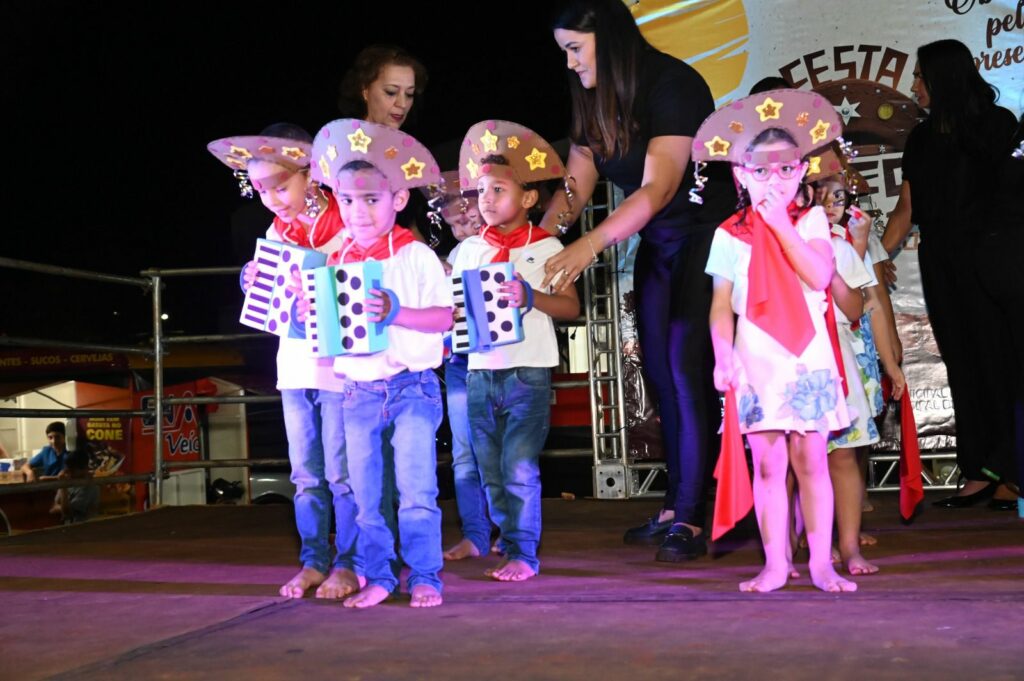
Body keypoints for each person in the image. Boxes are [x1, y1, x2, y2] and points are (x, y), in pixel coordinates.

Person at [542, 0, 736, 563]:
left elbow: (658, 188)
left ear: (608, 37)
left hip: (704, 237)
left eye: (575, 48)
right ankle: (676, 506)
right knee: (659, 372)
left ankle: (694, 516)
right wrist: (534, 245)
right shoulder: (591, 96)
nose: (570, 63)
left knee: (684, 367)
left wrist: (589, 244)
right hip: (657, 243)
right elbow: (574, 189)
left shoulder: (673, 84)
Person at [697, 89, 856, 592]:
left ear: (802, 170)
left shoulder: (811, 220)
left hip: (807, 353)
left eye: (786, 168)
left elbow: (819, 274)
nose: (775, 179)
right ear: (741, 175)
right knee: (768, 464)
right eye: (761, 170)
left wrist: (779, 224)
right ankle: (774, 563)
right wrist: (722, 354)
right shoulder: (727, 234)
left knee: (812, 460)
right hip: (757, 355)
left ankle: (821, 564)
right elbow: (721, 304)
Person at [208, 124, 360, 600]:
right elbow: (274, 308)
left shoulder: (348, 218)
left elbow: (362, 286)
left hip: (340, 366)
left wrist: (322, 277)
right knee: (306, 475)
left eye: (280, 186)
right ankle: (314, 560)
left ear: (309, 174)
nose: (271, 200)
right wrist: (253, 280)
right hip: (294, 365)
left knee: (342, 474)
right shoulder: (276, 232)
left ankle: (349, 563)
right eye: (260, 190)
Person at [305, 118, 452, 608]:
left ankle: (425, 575)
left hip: (412, 386)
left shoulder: (417, 256)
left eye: (371, 199)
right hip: (357, 392)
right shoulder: (336, 261)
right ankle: (380, 576)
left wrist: (397, 312)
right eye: (347, 200)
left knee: (416, 491)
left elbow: (444, 318)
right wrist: (309, 312)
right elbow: (327, 334)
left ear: (399, 199)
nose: (358, 211)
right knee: (367, 496)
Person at [880, 39, 1019, 509]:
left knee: (1000, 361)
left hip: (991, 261)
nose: (913, 85)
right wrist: (871, 261)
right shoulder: (920, 139)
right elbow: (905, 209)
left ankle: (1011, 470)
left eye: (920, 75)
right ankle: (978, 467)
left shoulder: (997, 125)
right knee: (961, 361)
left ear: (944, 76)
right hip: (940, 262)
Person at [452, 120, 581, 581]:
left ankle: (524, 552)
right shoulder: (468, 250)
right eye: (481, 191)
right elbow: (455, 307)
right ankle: (510, 541)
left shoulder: (547, 247)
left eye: (498, 190)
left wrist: (530, 297)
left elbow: (571, 306)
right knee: (490, 469)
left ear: (528, 199)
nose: (486, 199)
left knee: (519, 466)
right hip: (479, 372)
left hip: (528, 372)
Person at [811, 155, 906, 575]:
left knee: (847, 451)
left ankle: (847, 540)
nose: (832, 204)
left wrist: (892, 363)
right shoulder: (786, 241)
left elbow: (867, 304)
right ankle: (811, 537)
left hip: (849, 356)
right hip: (806, 361)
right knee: (806, 460)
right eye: (822, 195)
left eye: (840, 196)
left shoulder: (848, 241)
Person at [433, 179, 494, 562]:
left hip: (496, 362)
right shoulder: (458, 252)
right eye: (453, 225)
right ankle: (475, 533)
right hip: (459, 362)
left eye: (465, 219)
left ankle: (513, 532)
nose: (460, 229)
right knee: (464, 452)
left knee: (498, 451)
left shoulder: (500, 246)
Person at [338, 45, 433, 245]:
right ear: (365, 91)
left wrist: (427, 258)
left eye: (409, 94)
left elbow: (409, 227)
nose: (402, 104)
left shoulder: (407, 151)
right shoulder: (341, 149)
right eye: (391, 92)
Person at [50, 449, 99, 524]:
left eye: (72, 471)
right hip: (68, 526)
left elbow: (67, 512)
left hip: (83, 527)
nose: (69, 474)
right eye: (67, 470)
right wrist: (63, 508)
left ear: (84, 469)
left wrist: (63, 487)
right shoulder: (68, 481)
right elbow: (53, 508)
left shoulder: (90, 487)